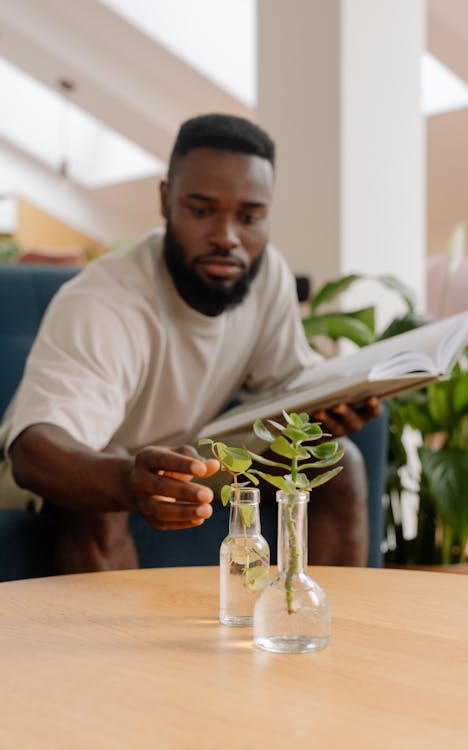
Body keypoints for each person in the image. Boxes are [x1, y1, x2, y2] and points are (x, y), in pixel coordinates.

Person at [0, 113, 381, 573]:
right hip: (78, 472)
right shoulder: (106, 299)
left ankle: (320, 632)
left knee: (338, 467)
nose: (227, 237)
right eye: (202, 211)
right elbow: (34, 451)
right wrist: (126, 481)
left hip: (192, 461)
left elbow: (285, 387)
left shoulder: (266, 275)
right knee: (103, 490)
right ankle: (113, 646)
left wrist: (331, 408)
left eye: (250, 217)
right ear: (166, 201)